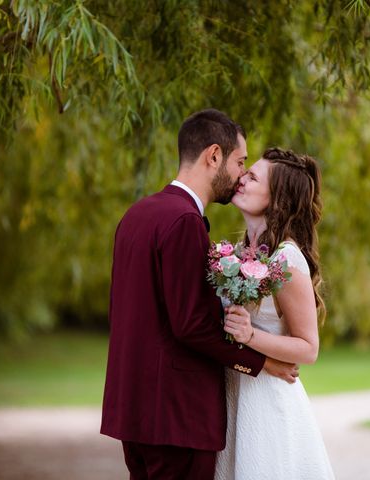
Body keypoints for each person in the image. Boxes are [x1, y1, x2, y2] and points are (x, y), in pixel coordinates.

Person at [101, 110, 299, 480]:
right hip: (176, 416)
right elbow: (191, 326)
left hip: (133, 410)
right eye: (240, 162)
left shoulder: (137, 215)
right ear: (213, 156)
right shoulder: (184, 222)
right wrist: (261, 364)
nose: (241, 175)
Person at [214, 147, 335, 479]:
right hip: (232, 393)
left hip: (266, 401)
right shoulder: (236, 254)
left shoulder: (287, 259)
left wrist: (251, 335)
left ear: (277, 198)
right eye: (246, 171)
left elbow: (308, 348)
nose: (242, 178)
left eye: (253, 177)